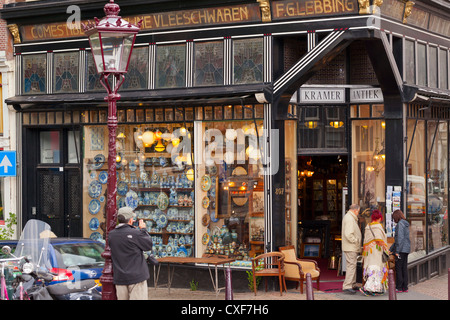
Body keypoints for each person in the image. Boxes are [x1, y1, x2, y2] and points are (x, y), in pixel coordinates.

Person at [109, 206, 153, 300]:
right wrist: (143, 230)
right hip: (136, 277)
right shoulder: (135, 233)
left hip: (120, 277)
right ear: (130, 220)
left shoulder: (112, 235)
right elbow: (148, 245)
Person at [360, 209, 389, 296]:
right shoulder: (378, 227)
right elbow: (379, 240)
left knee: (372, 269)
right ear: (379, 217)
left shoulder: (368, 226)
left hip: (369, 251)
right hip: (376, 251)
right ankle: (368, 288)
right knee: (376, 269)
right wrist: (386, 248)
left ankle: (377, 288)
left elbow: (365, 240)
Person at [341, 203, 362, 294]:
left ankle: (352, 284)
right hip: (351, 247)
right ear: (355, 210)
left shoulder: (350, 217)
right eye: (358, 211)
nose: (358, 213)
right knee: (351, 266)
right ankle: (347, 285)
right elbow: (348, 234)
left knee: (352, 265)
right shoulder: (349, 218)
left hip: (351, 246)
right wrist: (356, 241)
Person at [389, 209, 410, 293]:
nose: (394, 220)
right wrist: (391, 249)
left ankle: (399, 287)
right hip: (406, 249)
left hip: (401, 250)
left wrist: (397, 251)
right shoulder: (405, 224)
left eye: (394, 218)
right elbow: (398, 239)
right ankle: (405, 287)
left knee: (398, 268)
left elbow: (399, 239)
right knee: (404, 268)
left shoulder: (400, 224)